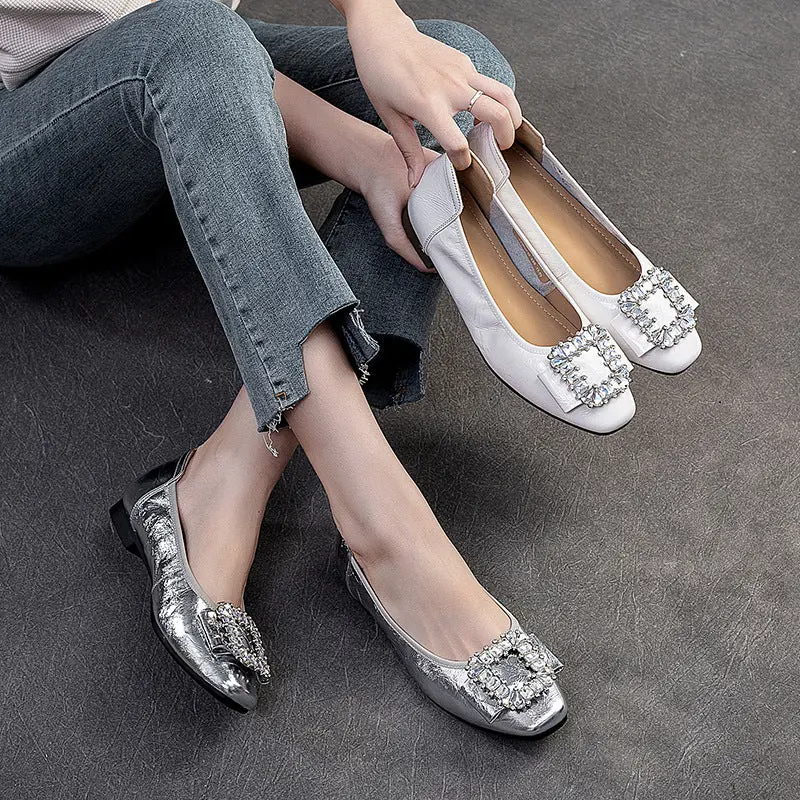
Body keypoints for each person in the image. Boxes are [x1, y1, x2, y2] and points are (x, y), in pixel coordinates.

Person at [0, 0, 567, 735]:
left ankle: (231, 473)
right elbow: (159, 42)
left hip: (200, 87)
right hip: (33, 138)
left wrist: (376, 21)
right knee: (195, 43)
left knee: (464, 78)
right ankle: (389, 531)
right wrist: (359, 150)